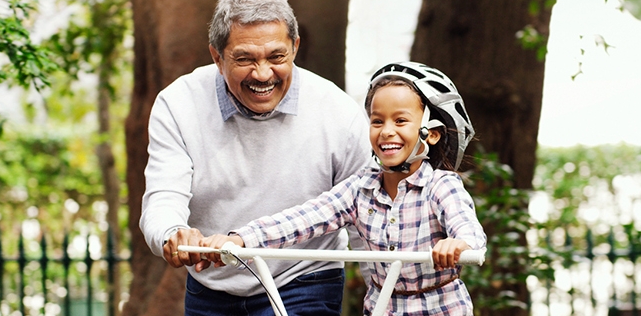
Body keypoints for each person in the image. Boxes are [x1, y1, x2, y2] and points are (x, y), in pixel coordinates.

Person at [138, 0, 372, 316]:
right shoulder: (179, 104)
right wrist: (172, 233)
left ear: (295, 47)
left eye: (276, 57)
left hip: (304, 278)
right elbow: (162, 195)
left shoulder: (337, 112)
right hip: (212, 286)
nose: (262, 74)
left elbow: (365, 215)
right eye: (245, 59)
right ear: (217, 57)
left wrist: (384, 295)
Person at [201, 61, 488, 316]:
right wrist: (241, 239)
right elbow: (304, 218)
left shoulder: (441, 186)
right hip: (382, 308)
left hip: (440, 307)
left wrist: (459, 244)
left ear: (432, 133)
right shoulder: (360, 188)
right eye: (378, 121)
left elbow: (469, 230)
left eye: (400, 121)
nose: (386, 130)